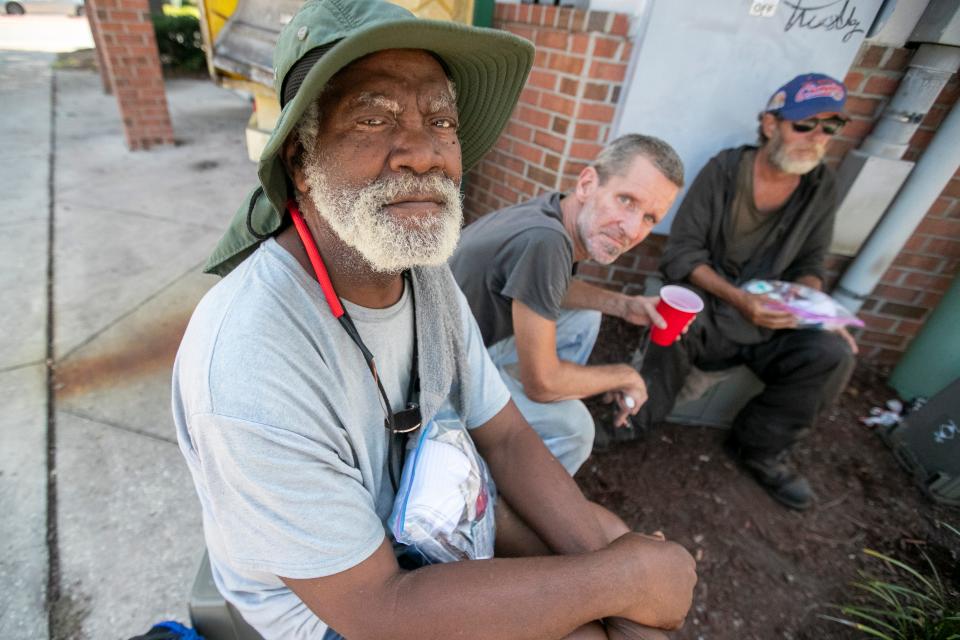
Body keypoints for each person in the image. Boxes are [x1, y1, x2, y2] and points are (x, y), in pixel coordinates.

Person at [172, 1, 696, 638]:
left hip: (429, 514)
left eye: (441, 121)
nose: (422, 153)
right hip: (334, 610)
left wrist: (619, 583)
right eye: (372, 117)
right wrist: (623, 581)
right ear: (301, 164)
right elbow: (379, 610)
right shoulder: (250, 360)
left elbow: (504, 435)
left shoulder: (424, 274)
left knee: (612, 547)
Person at [632, 73, 858, 511]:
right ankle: (637, 419)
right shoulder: (724, 171)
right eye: (804, 125)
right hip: (715, 309)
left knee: (832, 353)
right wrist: (740, 300)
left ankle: (759, 447)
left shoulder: (820, 187)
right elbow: (681, 254)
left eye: (829, 128)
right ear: (770, 124)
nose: (816, 138)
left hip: (773, 321)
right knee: (672, 320)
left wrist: (812, 308)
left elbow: (811, 265)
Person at [450, 135, 684, 475]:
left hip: (462, 345)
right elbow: (541, 383)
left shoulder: (551, 213)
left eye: (650, 218)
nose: (632, 230)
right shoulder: (546, 241)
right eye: (626, 200)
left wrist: (623, 305)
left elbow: (551, 288)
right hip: (435, 384)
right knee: (575, 428)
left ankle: (516, 431)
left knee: (585, 317)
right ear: (588, 183)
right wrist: (625, 376)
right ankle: (489, 497)